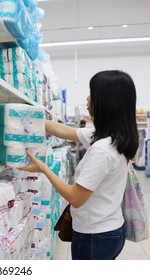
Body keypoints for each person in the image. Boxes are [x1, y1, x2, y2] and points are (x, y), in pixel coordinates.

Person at [20, 70, 139, 260]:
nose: (87, 98)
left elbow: (75, 198)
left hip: (95, 235)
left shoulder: (102, 150)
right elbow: (64, 130)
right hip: (111, 228)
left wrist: (43, 168)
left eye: (92, 93)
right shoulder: (114, 139)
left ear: (106, 102)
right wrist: (27, 117)